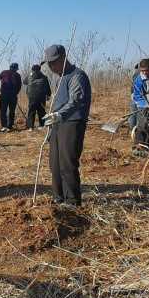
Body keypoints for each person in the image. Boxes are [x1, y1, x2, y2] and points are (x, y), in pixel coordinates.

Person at [41, 45, 92, 208]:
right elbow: (57, 100)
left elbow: (75, 100)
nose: (51, 67)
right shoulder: (57, 77)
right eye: (48, 64)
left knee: (67, 162)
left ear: (63, 58)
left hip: (72, 123)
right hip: (57, 123)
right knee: (54, 163)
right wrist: (52, 116)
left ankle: (72, 201)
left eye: (54, 63)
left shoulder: (77, 76)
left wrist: (59, 114)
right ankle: (58, 197)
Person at [0, 62, 22, 132]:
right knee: (12, 111)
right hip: (13, 96)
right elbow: (19, 86)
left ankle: (4, 126)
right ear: (16, 69)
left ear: (10, 67)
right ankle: (10, 126)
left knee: (3, 111)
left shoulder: (4, 72)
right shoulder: (18, 75)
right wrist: (15, 93)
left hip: (4, 95)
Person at [23, 64, 51, 130]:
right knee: (41, 111)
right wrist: (48, 95)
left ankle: (30, 127)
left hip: (32, 97)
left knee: (31, 111)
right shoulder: (44, 77)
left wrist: (30, 75)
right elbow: (47, 87)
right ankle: (41, 125)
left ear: (32, 70)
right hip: (41, 97)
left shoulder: (29, 76)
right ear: (39, 69)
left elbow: (24, 82)